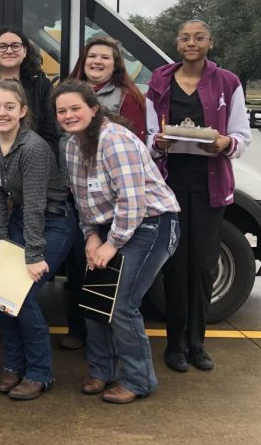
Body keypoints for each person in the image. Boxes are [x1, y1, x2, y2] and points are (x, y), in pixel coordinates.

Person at [55, 80, 180, 404]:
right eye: (62, 111)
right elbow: (82, 201)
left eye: (75, 108)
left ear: (94, 109)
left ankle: (139, 380)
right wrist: (91, 238)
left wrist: (110, 245)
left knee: (122, 304)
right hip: (110, 227)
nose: (69, 116)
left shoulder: (116, 141)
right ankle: (101, 370)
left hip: (151, 223)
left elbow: (133, 202)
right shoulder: (70, 146)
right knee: (95, 300)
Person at [146, 19, 251, 373]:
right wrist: (157, 144)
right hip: (171, 184)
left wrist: (226, 143)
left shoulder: (227, 82)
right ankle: (174, 344)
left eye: (199, 37)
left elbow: (241, 135)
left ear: (210, 42)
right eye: (185, 37)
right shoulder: (159, 80)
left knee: (203, 266)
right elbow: (149, 134)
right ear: (177, 43)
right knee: (175, 266)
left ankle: (197, 343)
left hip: (210, 185)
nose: (192, 42)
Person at [0, 80, 75, 400]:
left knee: (21, 297)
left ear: (22, 111)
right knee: (0, 293)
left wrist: (33, 255)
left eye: (9, 107)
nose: (1, 113)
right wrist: (3, 244)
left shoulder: (33, 148)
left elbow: (35, 203)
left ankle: (39, 373)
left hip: (53, 223)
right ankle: (13, 365)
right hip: (19, 221)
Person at [61, 35, 148, 351]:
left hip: (115, 201)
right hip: (76, 192)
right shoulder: (67, 91)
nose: (96, 62)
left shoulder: (129, 99)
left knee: (107, 271)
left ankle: (107, 339)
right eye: (91, 56)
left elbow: (136, 152)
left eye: (105, 58)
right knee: (77, 264)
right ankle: (78, 329)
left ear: (116, 65)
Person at [0, 26, 60, 158]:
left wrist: (37, 166)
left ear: (25, 51)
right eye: (2, 46)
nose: (9, 51)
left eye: (15, 46)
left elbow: (51, 134)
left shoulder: (42, 86)